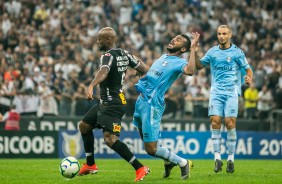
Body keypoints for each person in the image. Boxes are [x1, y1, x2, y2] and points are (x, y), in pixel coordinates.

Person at [78, 27, 150, 182]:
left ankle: (140, 168)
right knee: (84, 126)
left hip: (113, 104)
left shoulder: (108, 55)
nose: (97, 41)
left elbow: (104, 71)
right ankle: (90, 164)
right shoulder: (125, 54)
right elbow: (144, 68)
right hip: (106, 102)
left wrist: (91, 85)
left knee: (110, 139)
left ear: (109, 39)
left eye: (100, 38)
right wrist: (140, 74)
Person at [133, 32, 200, 179]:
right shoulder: (163, 57)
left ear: (183, 49)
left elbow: (190, 70)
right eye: (174, 38)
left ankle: (183, 163)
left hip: (152, 104)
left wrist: (193, 50)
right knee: (147, 142)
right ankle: (168, 162)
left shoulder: (179, 62)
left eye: (178, 40)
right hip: (141, 101)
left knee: (151, 149)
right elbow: (153, 75)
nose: (173, 40)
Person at [195, 25, 253, 173]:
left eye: (224, 34)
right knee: (215, 121)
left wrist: (249, 78)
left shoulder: (237, 52)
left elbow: (248, 69)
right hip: (216, 92)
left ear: (230, 35)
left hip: (231, 92)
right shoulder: (212, 52)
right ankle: (217, 159)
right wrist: (194, 53)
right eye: (219, 34)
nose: (221, 36)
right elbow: (199, 65)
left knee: (229, 122)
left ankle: (231, 159)